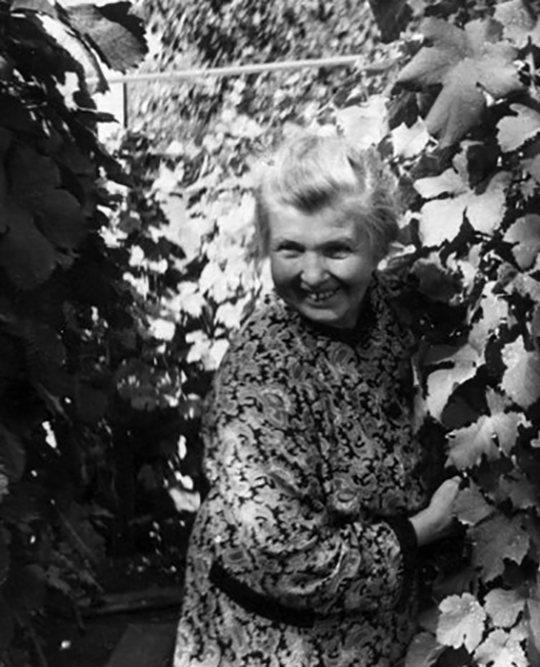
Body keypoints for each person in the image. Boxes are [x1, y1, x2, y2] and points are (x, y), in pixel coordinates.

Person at [174, 131, 459, 667]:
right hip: (274, 645)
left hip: (373, 637)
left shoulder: (390, 307)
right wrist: (424, 530)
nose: (312, 275)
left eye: (336, 249)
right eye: (290, 249)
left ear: (378, 247)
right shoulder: (261, 380)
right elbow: (285, 561)